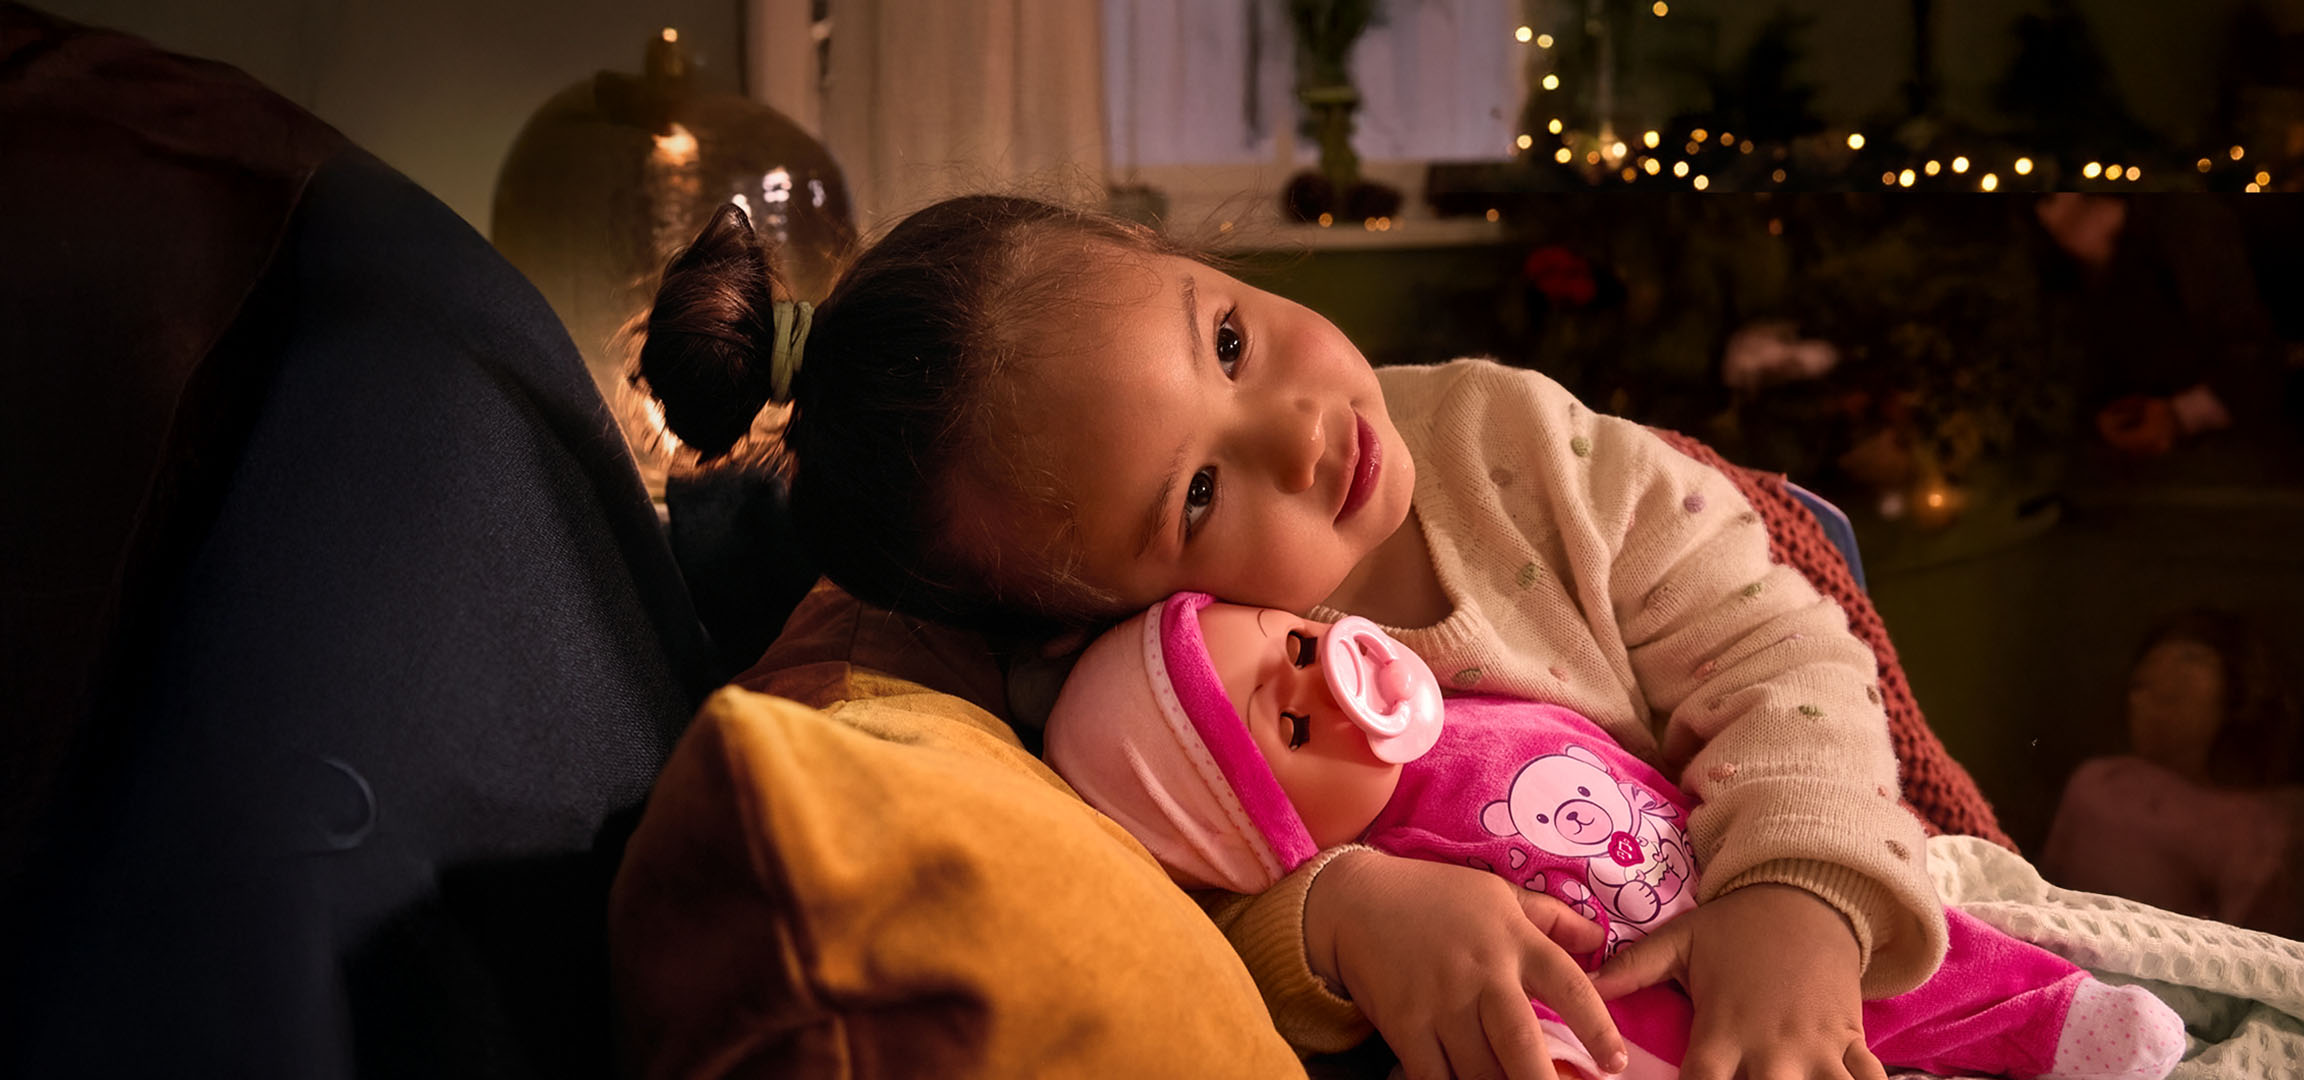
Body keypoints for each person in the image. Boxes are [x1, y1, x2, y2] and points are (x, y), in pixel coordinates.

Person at [639, 195, 1945, 1079]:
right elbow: (1181, 903)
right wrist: (1343, 910)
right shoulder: (1154, 702)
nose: (1299, 432)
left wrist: (1800, 898)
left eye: (1226, 340)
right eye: (1198, 496)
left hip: (1842, 965)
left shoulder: (1511, 443)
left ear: (1177, 252)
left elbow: (1778, 640)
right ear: (1100, 615)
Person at [1042, 591, 2184, 1080]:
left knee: (1919, 960)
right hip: (1643, 991)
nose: (1340, 691)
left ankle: (2071, 1021)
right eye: (1291, 727)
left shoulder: (1480, 683)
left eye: (1299, 649)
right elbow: (1499, 980)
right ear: (1269, 833)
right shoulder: (1397, 876)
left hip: (1743, 889)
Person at [2044, 611, 2304, 940]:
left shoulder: (2267, 822)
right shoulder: (2097, 783)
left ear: (2238, 699)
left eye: (2177, 690)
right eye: (2142, 686)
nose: (2149, 699)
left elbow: (2255, 945)